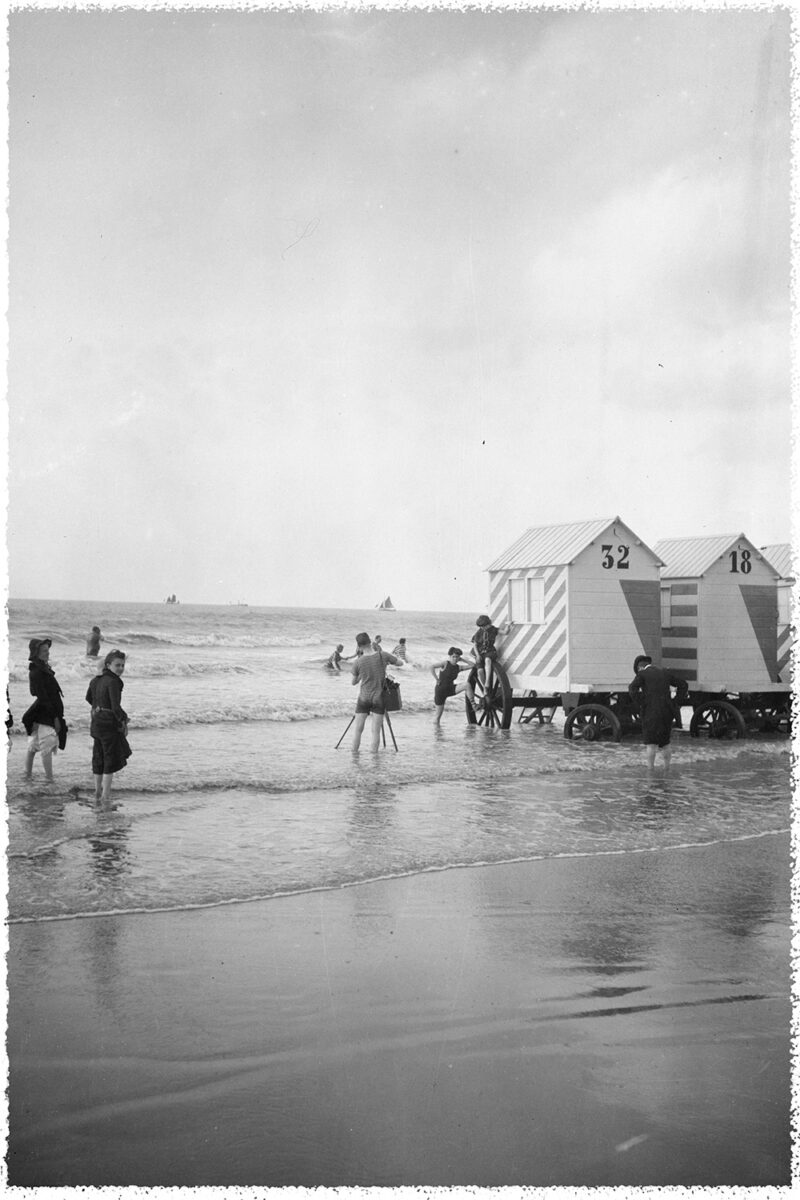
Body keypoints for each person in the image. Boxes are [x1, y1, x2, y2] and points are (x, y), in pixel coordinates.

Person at [86, 649, 132, 806]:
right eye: (117, 665)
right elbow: (115, 707)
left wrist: (98, 707)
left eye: (122, 665)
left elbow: (88, 698)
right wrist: (124, 720)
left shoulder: (95, 680)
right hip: (108, 724)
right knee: (109, 758)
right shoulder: (114, 682)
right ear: (108, 665)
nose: (120, 668)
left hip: (96, 722)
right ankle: (105, 795)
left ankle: (97, 791)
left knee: (98, 757)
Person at [628, 654, 689, 770]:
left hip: (650, 711)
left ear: (640, 668)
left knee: (651, 744)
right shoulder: (665, 672)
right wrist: (675, 701)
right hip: (666, 711)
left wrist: (642, 701)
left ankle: (650, 769)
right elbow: (683, 685)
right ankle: (667, 768)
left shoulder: (642, 674)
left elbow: (632, 689)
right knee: (665, 743)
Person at [22, 638, 64, 783]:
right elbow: (41, 695)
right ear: (36, 653)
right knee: (47, 743)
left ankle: (27, 776)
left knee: (33, 744)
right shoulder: (37, 671)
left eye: (48, 650)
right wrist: (55, 717)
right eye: (45, 651)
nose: (48, 653)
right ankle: (49, 780)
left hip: (42, 708)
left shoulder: (41, 668)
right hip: (45, 710)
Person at [350, 632, 402, 752]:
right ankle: (374, 761)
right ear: (370, 641)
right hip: (379, 697)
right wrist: (387, 662)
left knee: (358, 730)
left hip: (364, 697)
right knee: (375, 731)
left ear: (359, 646)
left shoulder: (358, 662)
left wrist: (362, 674)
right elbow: (400, 663)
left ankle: (354, 758)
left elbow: (354, 682)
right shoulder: (382, 655)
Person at [431, 647, 475, 724]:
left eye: (457, 657)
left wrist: (463, 660)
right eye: (453, 656)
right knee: (438, 716)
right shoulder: (445, 663)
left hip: (450, 689)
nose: (455, 659)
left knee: (467, 685)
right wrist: (437, 679)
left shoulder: (459, 667)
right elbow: (432, 667)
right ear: (450, 656)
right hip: (440, 691)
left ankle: (473, 705)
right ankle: (437, 733)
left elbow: (472, 665)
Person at [471, 614, 501, 702]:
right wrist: (478, 655)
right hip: (480, 652)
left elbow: (505, 632)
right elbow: (475, 645)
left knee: (488, 660)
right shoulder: (479, 632)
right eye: (481, 626)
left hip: (490, 651)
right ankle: (485, 688)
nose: (483, 628)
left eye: (484, 626)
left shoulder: (493, 629)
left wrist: (509, 625)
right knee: (480, 671)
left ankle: (487, 682)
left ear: (488, 623)